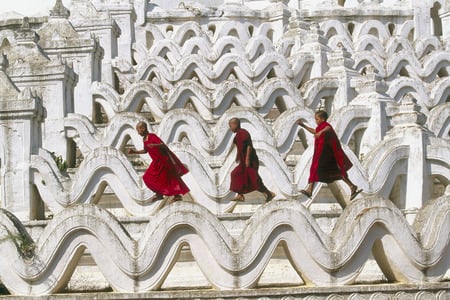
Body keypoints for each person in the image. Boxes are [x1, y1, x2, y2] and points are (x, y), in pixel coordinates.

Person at [297, 111, 362, 200]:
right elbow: (314, 131)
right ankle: (352, 186)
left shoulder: (325, 126)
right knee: (334, 171)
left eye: (317, 119)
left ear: (323, 119)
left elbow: (328, 128)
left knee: (315, 168)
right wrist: (303, 126)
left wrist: (321, 132)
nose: (316, 121)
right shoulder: (320, 127)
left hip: (327, 154)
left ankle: (309, 190)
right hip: (323, 154)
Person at [129, 121, 189, 202]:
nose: (138, 133)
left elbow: (162, 145)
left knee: (169, 178)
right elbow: (145, 150)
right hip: (156, 162)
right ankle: (159, 194)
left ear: (143, 128)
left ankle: (176, 196)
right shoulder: (144, 139)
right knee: (147, 177)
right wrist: (134, 152)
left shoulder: (152, 136)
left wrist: (154, 145)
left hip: (163, 161)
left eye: (139, 130)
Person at [228, 118, 275, 202]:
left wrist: (248, 158)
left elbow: (249, 146)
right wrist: (237, 156)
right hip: (243, 161)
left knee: (254, 180)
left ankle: (269, 194)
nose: (230, 128)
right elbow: (239, 147)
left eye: (230, 126)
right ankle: (240, 195)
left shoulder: (244, 133)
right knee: (235, 174)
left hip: (250, 160)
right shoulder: (237, 135)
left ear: (235, 124)